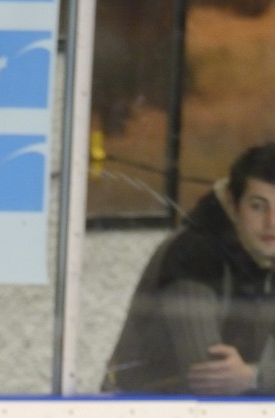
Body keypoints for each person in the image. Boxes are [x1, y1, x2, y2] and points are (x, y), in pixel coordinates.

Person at [103, 142, 275, 395]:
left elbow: (243, 380)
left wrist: (256, 376)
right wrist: (258, 377)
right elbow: (209, 378)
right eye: (258, 206)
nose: (271, 222)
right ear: (233, 202)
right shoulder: (193, 255)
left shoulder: (265, 253)